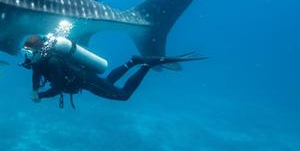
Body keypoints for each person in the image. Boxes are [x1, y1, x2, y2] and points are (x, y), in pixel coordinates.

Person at [21, 35, 203, 108]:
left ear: (37, 50)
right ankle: (133, 62)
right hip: (85, 79)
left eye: (28, 52)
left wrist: (42, 96)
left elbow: (59, 86)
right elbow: (36, 76)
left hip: (85, 80)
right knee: (107, 82)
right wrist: (34, 89)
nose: (27, 56)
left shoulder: (52, 61)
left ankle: (145, 65)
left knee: (123, 95)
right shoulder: (38, 62)